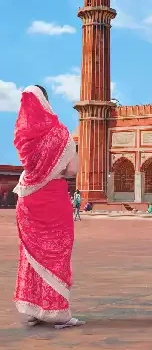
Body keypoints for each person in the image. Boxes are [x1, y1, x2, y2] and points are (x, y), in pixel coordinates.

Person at [13, 85, 84, 329]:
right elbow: (72, 170)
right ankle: (58, 314)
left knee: (31, 256)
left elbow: (28, 166)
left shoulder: (22, 136)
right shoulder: (60, 134)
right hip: (53, 199)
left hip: (28, 199)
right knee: (56, 254)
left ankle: (34, 310)